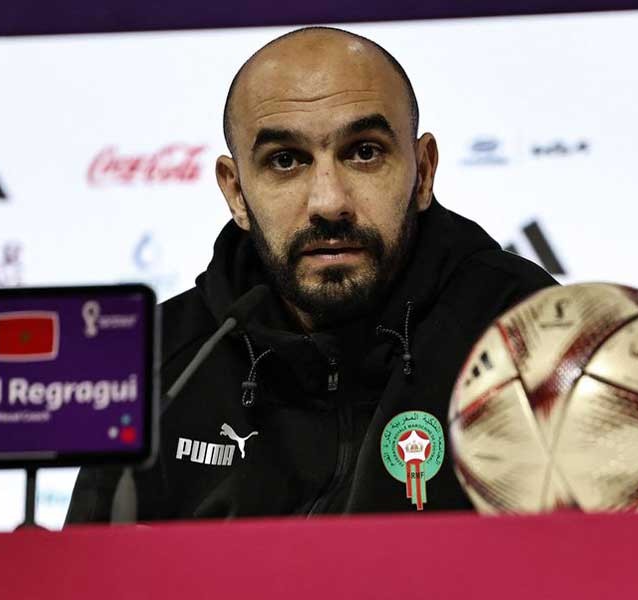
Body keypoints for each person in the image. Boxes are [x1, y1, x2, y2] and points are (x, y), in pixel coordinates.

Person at [66, 26, 555, 522]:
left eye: (364, 152)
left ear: (423, 171)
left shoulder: (527, 332)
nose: (329, 202)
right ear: (236, 192)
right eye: (286, 160)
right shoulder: (164, 368)